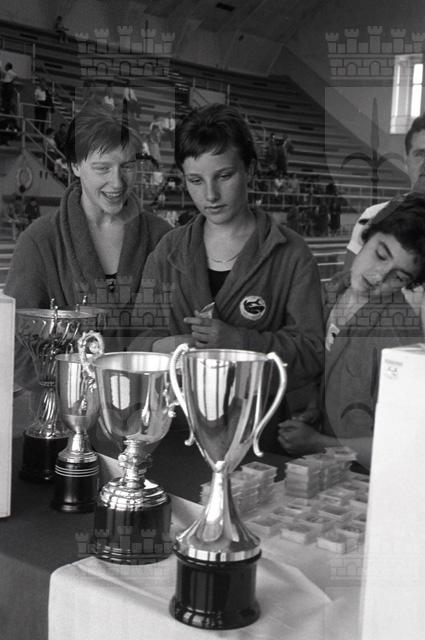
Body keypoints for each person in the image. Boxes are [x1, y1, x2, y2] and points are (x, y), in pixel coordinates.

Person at [130, 104, 324, 446]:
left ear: (250, 169)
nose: (210, 195)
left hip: (255, 436)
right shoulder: (168, 251)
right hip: (175, 433)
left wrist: (239, 343)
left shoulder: (291, 254)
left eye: (224, 176)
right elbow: (136, 342)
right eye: (195, 180)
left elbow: (310, 353)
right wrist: (167, 347)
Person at [4, 103, 171, 391]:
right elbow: (17, 347)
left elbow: (175, 330)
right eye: (102, 168)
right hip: (64, 409)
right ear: (75, 166)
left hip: (144, 406)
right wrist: (83, 392)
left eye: (127, 166)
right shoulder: (40, 240)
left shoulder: (162, 237)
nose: (117, 182)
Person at [278, 195, 425, 471]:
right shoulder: (333, 291)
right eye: (380, 255)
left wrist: (318, 443)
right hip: (319, 476)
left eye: (399, 277)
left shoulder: (400, 338)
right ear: (365, 237)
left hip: (365, 485)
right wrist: (316, 407)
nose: (379, 276)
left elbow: (406, 446)